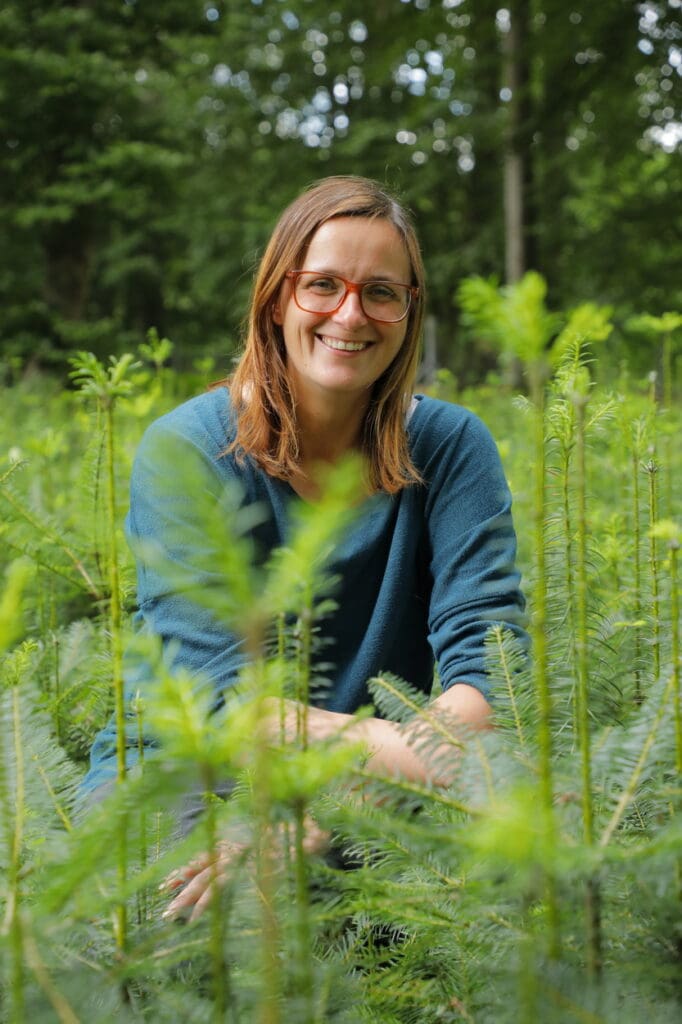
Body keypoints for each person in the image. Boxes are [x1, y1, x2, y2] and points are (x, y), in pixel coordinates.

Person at [81, 175, 528, 921]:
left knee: (543, 848)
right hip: (196, 774)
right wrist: (387, 752)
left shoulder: (452, 447)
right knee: (218, 908)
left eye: (381, 292)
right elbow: (220, 707)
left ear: (409, 310)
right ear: (277, 296)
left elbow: (491, 679)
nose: (351, 314)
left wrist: (337, 793)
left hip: (399, 770)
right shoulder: (189, 451)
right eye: (322, 284)